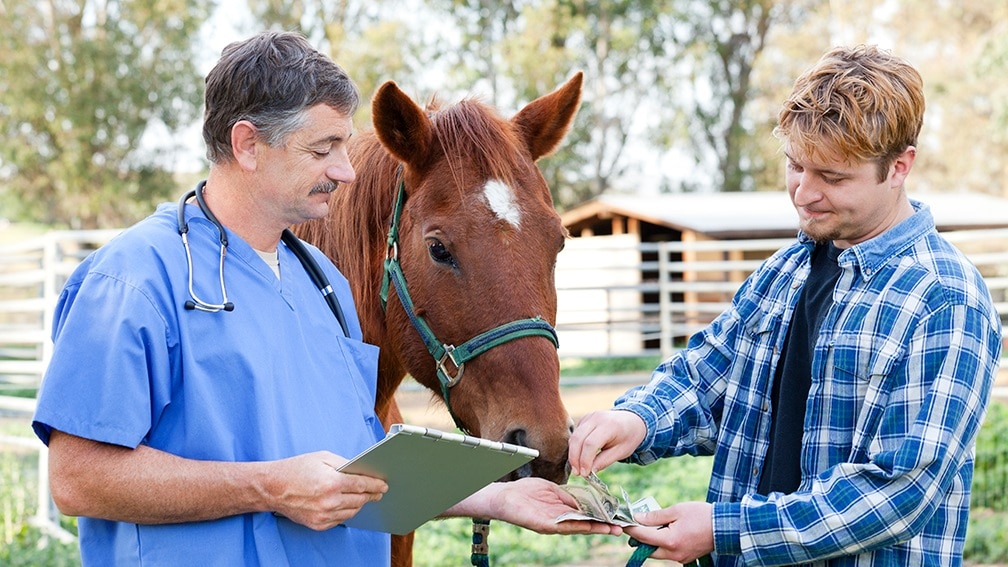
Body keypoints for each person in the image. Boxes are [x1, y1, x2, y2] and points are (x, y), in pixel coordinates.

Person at [31, 30, 615, 566]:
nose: (347, 170)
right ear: (249, 145)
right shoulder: (133, 281)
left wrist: (494, 499)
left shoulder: (325, 285)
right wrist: (269, 486)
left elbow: (354, 475)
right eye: (322, 149)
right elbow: (78, 479)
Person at [569, 44, 1002, 566]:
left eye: (833, 177)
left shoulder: (945, 300)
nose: (803, 192)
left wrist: (724, 529)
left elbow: (900, 492)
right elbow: (708, 379)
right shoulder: (785, 271)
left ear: (899, 167)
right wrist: (637, 421)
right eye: (795, 166)